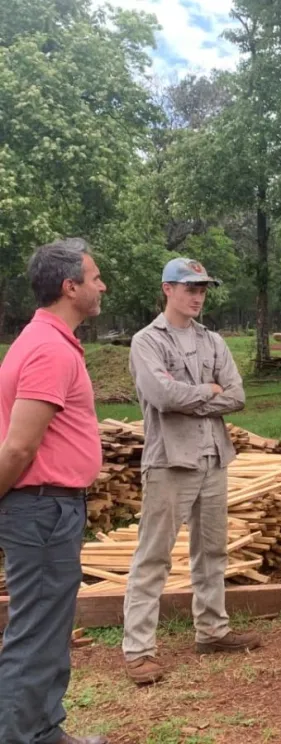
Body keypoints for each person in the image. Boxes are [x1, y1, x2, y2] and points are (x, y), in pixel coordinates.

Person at [122, 257, 258, 685]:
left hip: (213, 456)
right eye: (189, 288)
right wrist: (208, 391)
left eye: (202, 289)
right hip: (170, 460)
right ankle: (138, 651)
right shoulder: (146, 341)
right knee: (154, 557)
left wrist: (193, 397)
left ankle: (212, 631)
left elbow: (236, 395)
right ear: (167, 289)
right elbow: (162, 396)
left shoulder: (212, 340)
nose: (198, 296)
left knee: (212, 551)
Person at [0, 239, 108, 744]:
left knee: (48, 629)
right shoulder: (48, 349)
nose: (102, 286)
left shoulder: (47, 340)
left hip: (48, 508)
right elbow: (19, 447)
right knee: (36, 633)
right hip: (41, 508)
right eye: (95, 277)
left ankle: (43, 731)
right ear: (70, 287)